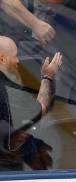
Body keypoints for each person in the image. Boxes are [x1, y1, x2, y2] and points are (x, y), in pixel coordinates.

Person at [0, 35, 61, 171]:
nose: (17, 61)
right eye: (15, 56)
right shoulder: (9, 91)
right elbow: (40, 109)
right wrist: (47, 77)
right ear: (2, 59)